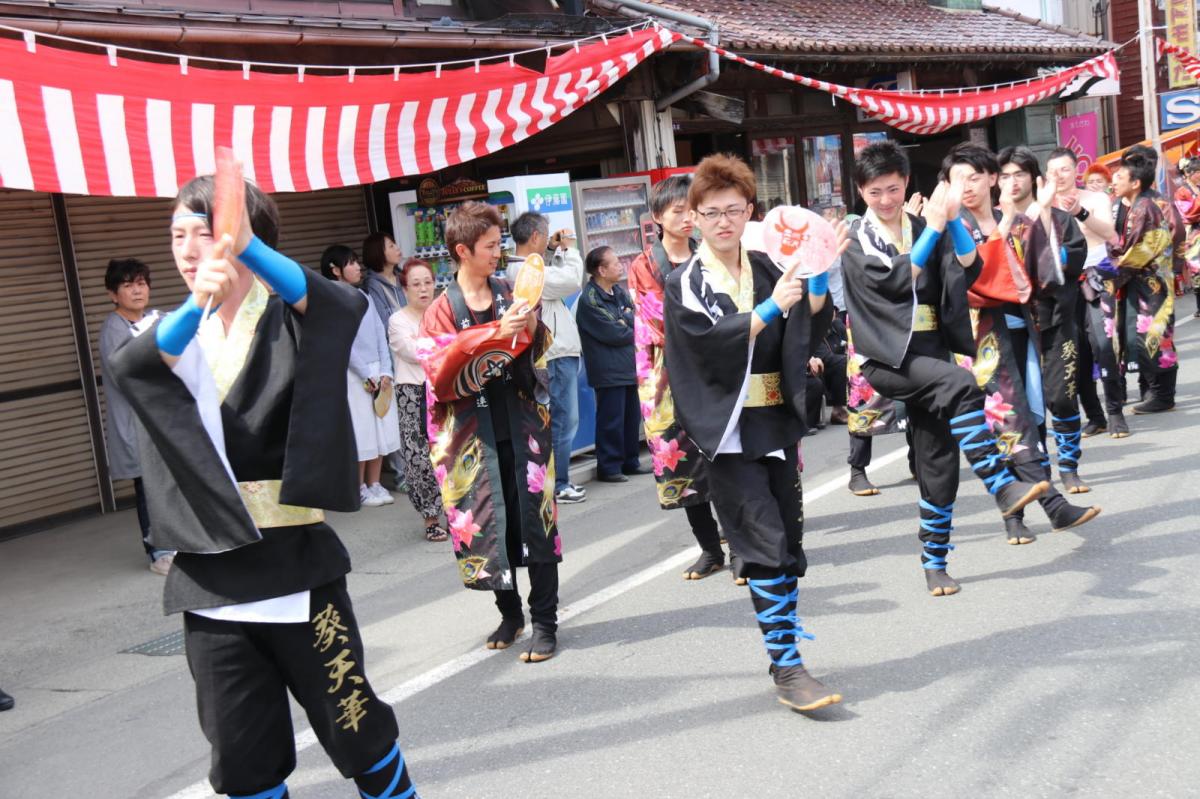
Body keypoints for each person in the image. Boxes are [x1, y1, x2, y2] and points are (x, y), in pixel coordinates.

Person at [106, 175, 417, 799]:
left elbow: (341, 305)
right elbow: (133, 373)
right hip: (211, 575)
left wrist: (243, 247)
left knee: (353, 726)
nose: (190, 248)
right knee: (241, 753)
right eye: (178, 235)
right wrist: (198, 304)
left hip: (296, 564)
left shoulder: (291, 318)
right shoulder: (164, 334)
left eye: (207, 233)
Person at [664, 153, 841, 712]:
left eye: (733, 211)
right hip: (726, 430)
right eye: (711, 212)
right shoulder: (685, 281)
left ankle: (784, 654)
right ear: (693, 216)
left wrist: (816, 271)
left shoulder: (768, 263)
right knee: (762, 541)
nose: (723, 222)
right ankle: (789, 667)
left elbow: (810, 321)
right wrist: (769, 308)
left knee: (788, 540)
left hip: (773, 422)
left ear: (749, 212)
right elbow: (705, 343)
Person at [840, 141, 1051, 598]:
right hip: (888, 360)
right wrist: (933, 230)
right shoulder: (855, 239)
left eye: (893, 189)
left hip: (929, 351)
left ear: (906, 184)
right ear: (861, 191)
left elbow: (969, 268)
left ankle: (934, 564)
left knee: (939, 464)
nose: (886, 200)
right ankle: (1002, 485)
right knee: (961, 383)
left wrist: (951, 218)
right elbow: (894, 283)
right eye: (875, 192)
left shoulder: (923, 224)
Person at [419, 201, 562, 663]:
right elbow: (439, 371)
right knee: (485, 524)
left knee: (535, 523)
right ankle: (509, 611)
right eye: (488, 245)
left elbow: (538, 346)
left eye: (498, 243)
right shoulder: (441, 310)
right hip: (472, 436)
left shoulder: (512, 290)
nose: (498, 253)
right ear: (462, 251)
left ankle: (545, 621)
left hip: (520, 424)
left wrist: (530, 326)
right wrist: (495, 334)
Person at [947, 144, 1098, 544]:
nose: (967, 186)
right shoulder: (954, 227)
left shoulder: (1012, 220)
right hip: (979, 340)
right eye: (958, 178)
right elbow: (970, 284)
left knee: (1028, 416)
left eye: (975, 176)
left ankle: (1030, 511)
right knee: (1009, 420)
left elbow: (1044, 275)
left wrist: (1041, 217)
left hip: (1023, 331)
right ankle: (1044, 510)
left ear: (991, 179)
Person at [628, 175, 732, 582]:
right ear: (657, 217)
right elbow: (659, 319)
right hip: (667, 376)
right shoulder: (644, 265)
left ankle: (739, 544)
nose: (688, 218)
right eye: (677, 211)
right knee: (683, 464)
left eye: (692, 210)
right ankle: (709, 548)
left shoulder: (712, 254)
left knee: (725, 458)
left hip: (715, 369)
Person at [508, 212, 588, 505]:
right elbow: (570, 281)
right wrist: (568, 249)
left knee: (559, 420)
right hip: (554, 355)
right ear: (535, 237)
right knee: (563, 421)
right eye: (547, 235)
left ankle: (556, 481)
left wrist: (554, 251)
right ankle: (560, 483)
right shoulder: (526, 272)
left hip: (553, 353)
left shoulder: (524, 267)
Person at [99, 258, 173, 575]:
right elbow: (128, 374)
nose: (137, 290)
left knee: (167, 485)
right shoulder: (114, 329)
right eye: (127, 285)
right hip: (136, 423)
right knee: (148, 487)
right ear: (113, 294)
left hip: (160, 421)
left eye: (141, 283)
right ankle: (157, 552)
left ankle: (176, 543)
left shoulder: (155, 319)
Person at [320, 245, 401, 509]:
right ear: (335, 270)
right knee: (362, 430)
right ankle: (359, 487)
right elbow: (343, 343)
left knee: (379, 427)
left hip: (377, 370)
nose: (357, 267)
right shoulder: (331, 300)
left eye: (356, 262)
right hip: (353, 374)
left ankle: (375, 483)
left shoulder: (364, 297)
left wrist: (386, 371)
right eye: (351, 263)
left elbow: (380, 333)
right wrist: (367, 373)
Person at [1056, 156, 1125, 437]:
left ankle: (1115, 412)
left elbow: (1109, 232)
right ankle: (1095, 415)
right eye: (1053, 170)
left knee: (1104, 343)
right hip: (1062, 283)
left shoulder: (1096, 199)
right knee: (1077, 351)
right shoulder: (1043, 205)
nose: (1059, 175)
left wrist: (1080, 212)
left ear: (1076, 171)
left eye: (1065, 169)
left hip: (1096, 277)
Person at [1108, 152, 1180, 414]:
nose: (1114, 182)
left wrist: (1111, 272)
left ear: (1136, 182)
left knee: (1156, 336)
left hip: (1152, 283)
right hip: (1143, 282)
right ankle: (1157, 392)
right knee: (1145, 336)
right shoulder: (1135, 205)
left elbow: (1137, 250)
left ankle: (1163, 396)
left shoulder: (1145, 207)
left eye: (1120, 177)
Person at [577, 246, 651, 483]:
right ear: (601, 269)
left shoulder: (617, 291)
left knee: (631, 419)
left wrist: (626, 319)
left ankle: (630, 461)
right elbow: (616, 333)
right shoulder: (590, 299)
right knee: (612, 420)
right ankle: (609, 467)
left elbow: (636, 318)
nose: (621, 266)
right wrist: (627, 321)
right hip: (608, 370)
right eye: (615, 262)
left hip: (628, 365)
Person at [387, 259, 449, 542]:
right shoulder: (397, 320)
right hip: (413, 393)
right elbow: (414, 352)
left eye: (427, 282)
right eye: (416, 284)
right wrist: (443, 344)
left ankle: (457, 510)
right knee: (419, 458)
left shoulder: (444, 313)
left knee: (451, 450)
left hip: (445, 387)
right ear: (405, 288)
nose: (423, 289)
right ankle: (431, 518)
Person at [363, 231, 408, 488]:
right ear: (379, 254)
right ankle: (402, 474)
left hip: (411, 355)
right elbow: (382, 325)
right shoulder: (374, 287)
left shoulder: (401, 278)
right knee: (397, 418)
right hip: (392, 359)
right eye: (391, 245)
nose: (396, 248)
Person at [1173, 155, 1200, 319]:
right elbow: (1188, 214)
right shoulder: (1182, 192)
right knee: (1197, 270)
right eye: (1197, 171)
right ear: (1188, 173)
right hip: (1194, 234)